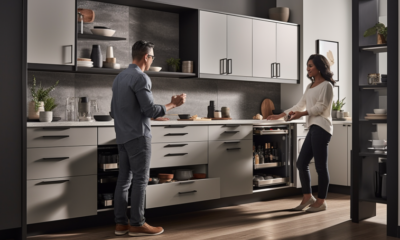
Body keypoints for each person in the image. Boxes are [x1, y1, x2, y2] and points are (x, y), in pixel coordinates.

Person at [111, 40, 186, 236]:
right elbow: (150, 109)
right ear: (146, 57)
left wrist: (148, 114)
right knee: (141, 180)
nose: (152, 61)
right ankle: (137, 223)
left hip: (122, 136)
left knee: (124, 181)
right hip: (138, 136)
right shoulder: (141, 77)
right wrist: (173, 104)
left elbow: (114, 111)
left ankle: (121, 224)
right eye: (152, 57)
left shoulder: (119, 78)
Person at [267, 54, 334, 213]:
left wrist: (301, 114)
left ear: (319, 67)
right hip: (313, 127)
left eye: (310, 65)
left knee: (320, 166)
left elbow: (321, 108)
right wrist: (281, 115)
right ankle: (307, 197)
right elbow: (299, 104)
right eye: (307, 65)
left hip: (322, 127)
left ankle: (321, 201)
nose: (307, 68)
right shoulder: (310, 86)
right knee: (301, 163)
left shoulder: (327, 86)